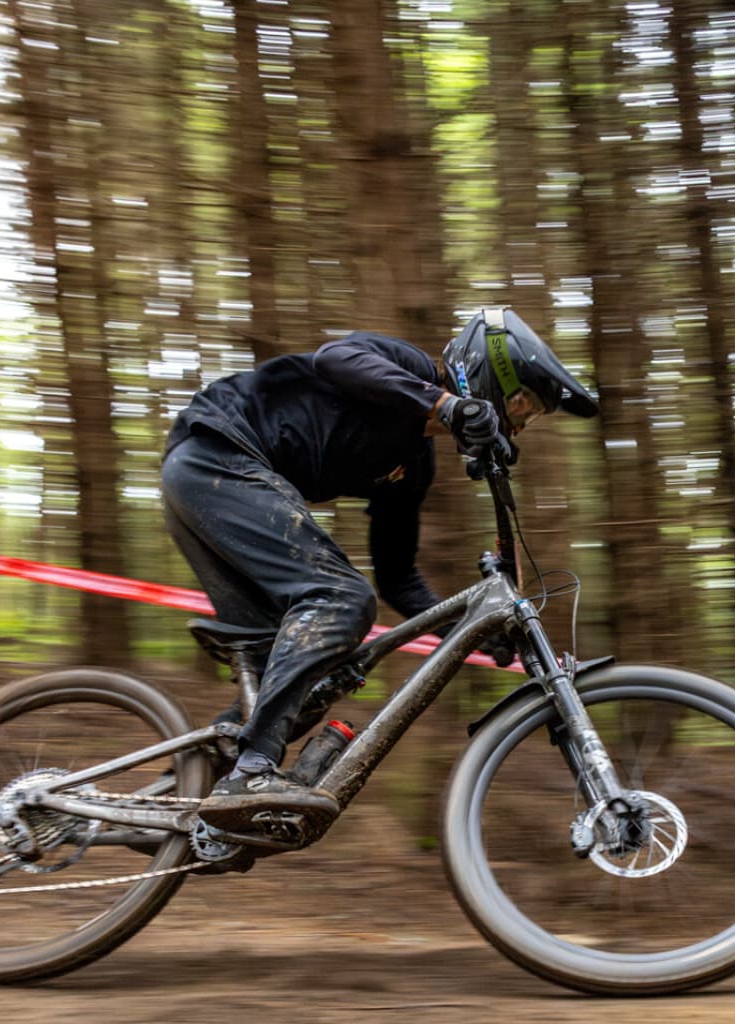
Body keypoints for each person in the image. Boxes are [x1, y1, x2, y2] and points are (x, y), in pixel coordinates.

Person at [159, 306, 598, 822]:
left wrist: (469, 630)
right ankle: (251, 772)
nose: (518, 424)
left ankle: (176, 802)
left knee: (311, 684)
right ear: (487, 374)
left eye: (530, 418)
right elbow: (335, 358)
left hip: (212, 492)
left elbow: (397, 576)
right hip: (217, 456)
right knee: (341, 597)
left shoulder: (412, 467)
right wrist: (445, 403)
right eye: (521, 405)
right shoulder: (408, 368)